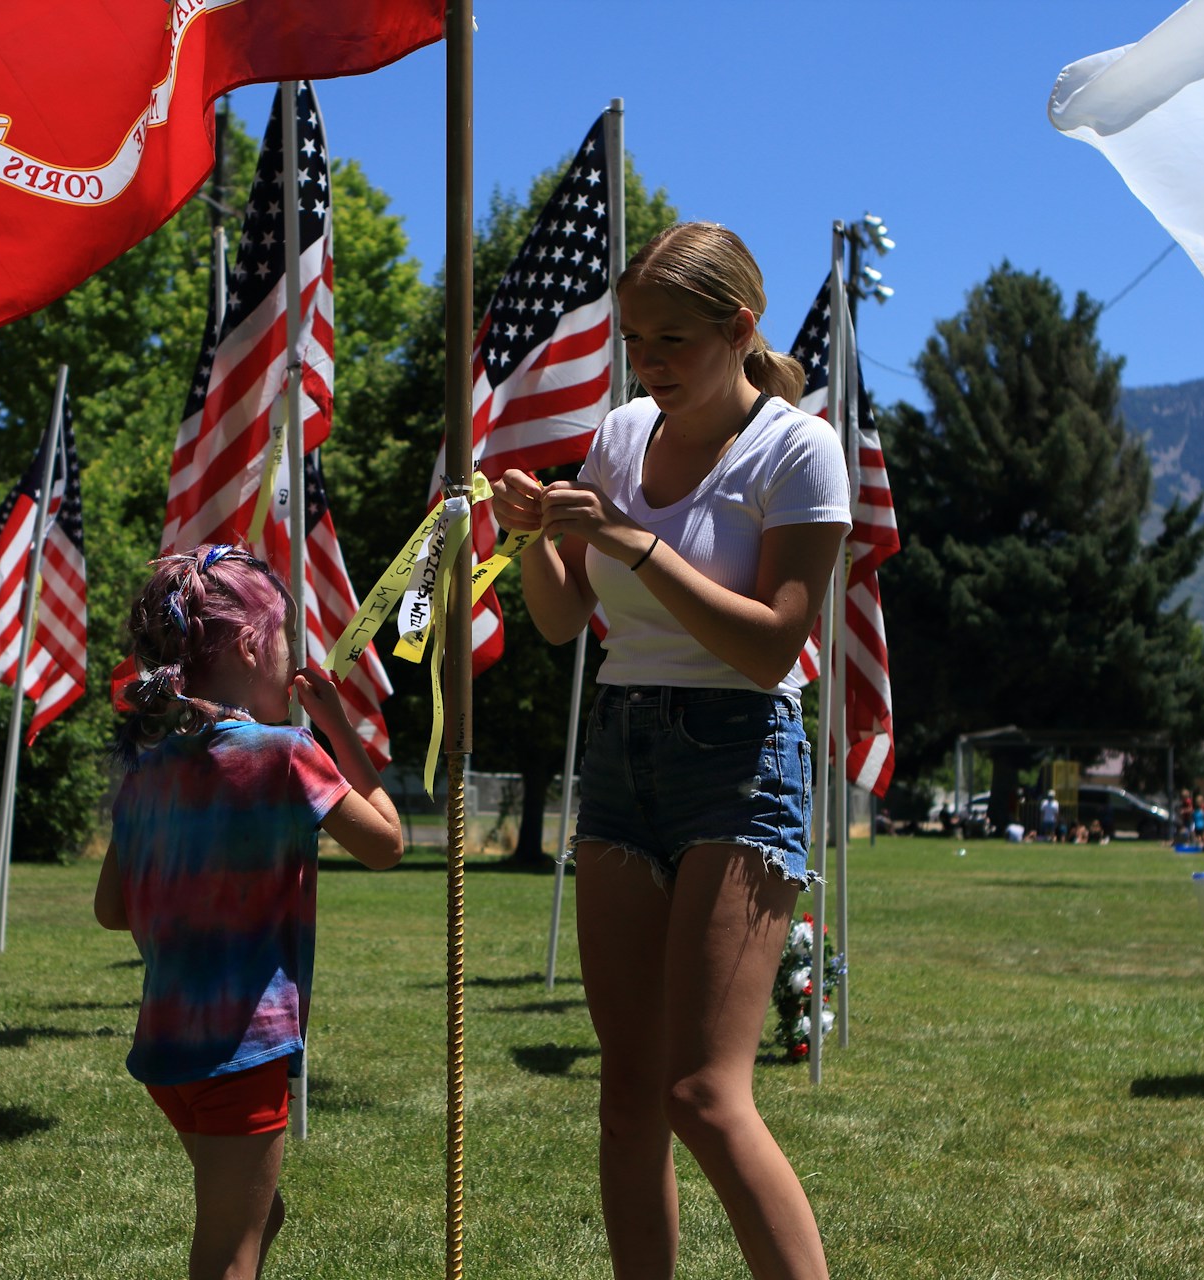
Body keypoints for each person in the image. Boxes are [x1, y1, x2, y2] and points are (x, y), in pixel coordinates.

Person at [491, 221, 844, 1280]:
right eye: (636, 340)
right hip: (621, 747)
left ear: (742, 328)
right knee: (628, 1090)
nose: (649, 363)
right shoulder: (618, 435)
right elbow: (559, 621)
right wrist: (531, 536)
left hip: (741, 752)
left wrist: (632, 540)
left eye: (673, 340)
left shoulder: (796, 448)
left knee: (702, 1090)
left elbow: (773, 638)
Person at [93, 545, 402, 1280]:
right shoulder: (289, 753)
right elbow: (387, 843)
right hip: (244, 1050)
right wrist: (340, 732)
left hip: (169, 1050)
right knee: (228, 1251)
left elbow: (111, 909)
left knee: (261, 1215)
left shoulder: (148, 769)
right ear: (253, 644)